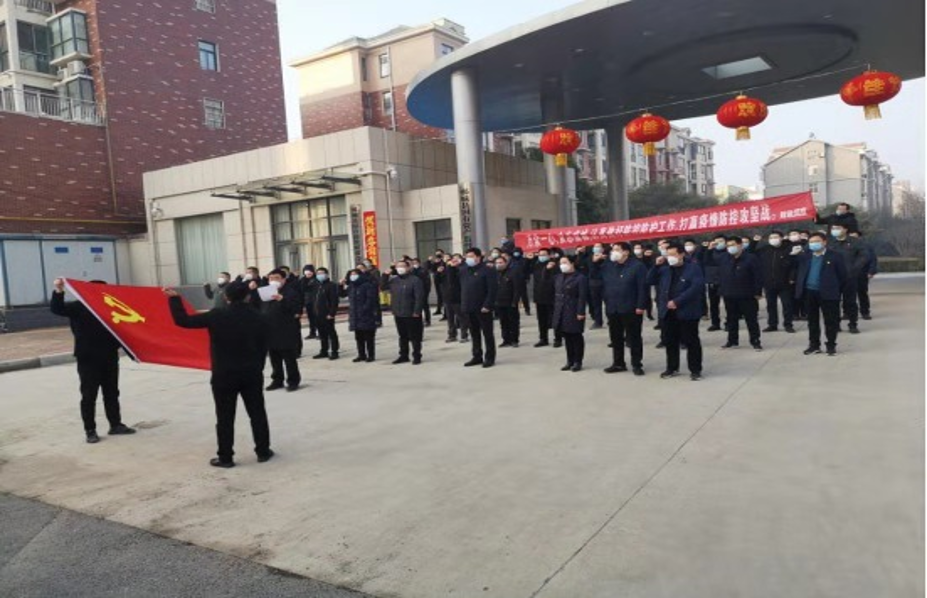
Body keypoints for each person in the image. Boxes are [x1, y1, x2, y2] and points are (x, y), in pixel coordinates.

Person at [166, 282, 272, 468]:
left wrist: (174, 299)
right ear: (248, 296)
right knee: (257, 413)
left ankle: (225, 457)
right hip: (251, 373)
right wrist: (258, 367)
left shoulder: (217, 315)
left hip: (224, 374)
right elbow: (264, 346)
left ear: (226, 297)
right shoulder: (260, 316)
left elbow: (183, 321)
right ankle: (263, 451)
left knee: (224, 417)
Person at [50, 278, 136, 444]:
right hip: (88, 358)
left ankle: (115, 425)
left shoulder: (110, 307)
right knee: (89, 395)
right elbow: (57, 309)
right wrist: (59, 290)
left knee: (112, 392)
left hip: (109, 356)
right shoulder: (79, 306)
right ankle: (90, 430)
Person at [647, 244, 705, 380]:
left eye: (673, 254)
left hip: (687, 310)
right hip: (668, 311)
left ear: (681, 254)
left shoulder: (693, 268)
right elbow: (649, 280)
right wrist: (656, 266)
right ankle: (672, 368)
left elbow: (696, 287)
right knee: (670, 341)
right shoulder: (665, 269)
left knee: (691, 341)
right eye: (668, 255)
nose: (670, 257)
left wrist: (678, 301)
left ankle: (695, 370)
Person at [593, 242, 648, 375]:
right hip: (613, 307)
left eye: (617, 249)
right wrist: (595, 263)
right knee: (615, 338)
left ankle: (636, 364)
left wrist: (641, 305)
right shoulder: (608, 265)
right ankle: (618, 363)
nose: (613, 252)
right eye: (613, 250)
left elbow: (643, 287)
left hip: (631, 307)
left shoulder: (637, 266)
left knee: (634, 337)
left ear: (626, 252)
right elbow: (595, 277)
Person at [794, 232, 848, 356]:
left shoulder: (835, 256)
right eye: (811, 242)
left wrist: (835, 289)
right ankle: (814, 345)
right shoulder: (805, 256)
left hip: (828, 293)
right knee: (812, 321)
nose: (814, 244)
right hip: (809, 292)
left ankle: (831, 345)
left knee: (830, 321)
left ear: (824, 242)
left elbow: (843, 276)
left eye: (817, 241)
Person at [711, 237, 764, 351]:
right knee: (731, 319)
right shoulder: (724, 258)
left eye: (733, 245)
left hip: (747, 294)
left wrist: (758, 291)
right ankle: (732, 341)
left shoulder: (751, 258)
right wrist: (710, 249)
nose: (730, 247)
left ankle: (755, 341)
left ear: (740, 245)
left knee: (751, 319)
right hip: (729, 293)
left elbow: (758, 276)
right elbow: (709, 261)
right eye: (728, 245)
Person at [263, 269, 302, 391]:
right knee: (274, 358)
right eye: (271, 278)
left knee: (289, 358)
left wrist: (282, 300)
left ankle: (293, 381)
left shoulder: (290, 292)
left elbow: (296, 308)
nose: (273, 280)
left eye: (277, 278)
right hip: (270, 329)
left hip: (286, 329)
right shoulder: (267, 292)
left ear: (284, 279)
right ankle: (277, 380)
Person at [460, 248, 498, 368]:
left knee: (487, 333)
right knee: (474, 333)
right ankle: (477, 356)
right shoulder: (464, 270)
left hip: (483, 308)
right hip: (469, 307)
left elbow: (492, 290)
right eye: (467, 256)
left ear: (478, 257)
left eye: (471, 256)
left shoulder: (488, 270)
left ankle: (490, 357)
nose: (468, 259)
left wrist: (487, 305)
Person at [755, 231, 800, 333]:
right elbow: (751, 252)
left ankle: (788, 324)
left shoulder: (788, 249)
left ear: (781, 238)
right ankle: (772, 324)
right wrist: (754, 242)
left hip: (785, 282)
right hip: (769, 282)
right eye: (771, 237)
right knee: (771, 305)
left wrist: (792, 277)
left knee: (787, 304)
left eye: (775, 237)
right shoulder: (765, 249)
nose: (773, 239)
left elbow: (794, 266)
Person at [828, 223, 869, 334]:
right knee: (833, 302)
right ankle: (836, 324)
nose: (835, 230)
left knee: (850, 302)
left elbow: (864, 256)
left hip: (849, 277)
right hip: (833, 277)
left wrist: (854, 269)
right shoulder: (829, 242)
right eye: (833, 228)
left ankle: (853, 324)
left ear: (845, 229)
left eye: (838, 228)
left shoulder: (855, 242)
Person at [385, 260, 425, 364]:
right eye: (398, 266)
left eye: (402, 266)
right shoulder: (394, 280)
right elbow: (383, 287)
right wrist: (385, 275)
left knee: (414, 336)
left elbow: (419, 297)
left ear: (408, 268)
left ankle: (417, 355)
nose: (400, 268)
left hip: (411, 313)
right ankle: (403, 355)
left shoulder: (415, 280)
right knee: (402, 336)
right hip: (398, 312)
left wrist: (417, 311)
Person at [552, 256, 588, 372]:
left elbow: (582, 297)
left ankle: (578, 361)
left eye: (565, 262)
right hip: (561, 310)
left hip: (573, 309)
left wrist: (581, 311)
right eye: (560, 263)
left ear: (572, 263)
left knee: (576, 336)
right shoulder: (558, 277)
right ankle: (570, 360)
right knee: (567, 336)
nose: (562, 265)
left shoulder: (580, 278)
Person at [342, 268, 378, 362]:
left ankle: (371, 355)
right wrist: (340, 285)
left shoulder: (367, 285)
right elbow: (342, 294)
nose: (353, 276)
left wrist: (365, 309)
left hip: (366, 315)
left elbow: (370, 299)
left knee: (369, 337)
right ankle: (361, 355)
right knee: (359, 337)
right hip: (355, 315)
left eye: (355, 274)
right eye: (351, 274)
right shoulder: (351, 286)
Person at [529, 248, 558, 347]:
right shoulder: (536, 265)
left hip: (551, 296)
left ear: (549, 255)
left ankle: (558, 338)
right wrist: (528, 259)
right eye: (540, 255)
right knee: (541, 320)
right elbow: (525, 270)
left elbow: (552, 279)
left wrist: (548, 269)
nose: (541, 256)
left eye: (544, 254)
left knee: (554, 318)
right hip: (539, 296)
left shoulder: (554, 265)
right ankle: (543, 338)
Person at [311, 267, 340, 360]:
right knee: (322, 333)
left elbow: (334, 301)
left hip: (327, 314)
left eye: (322, 273)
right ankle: (324, 351)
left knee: (331, 333)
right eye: (318, 273)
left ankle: (334, 351)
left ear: (327, 274)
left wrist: (332, 313)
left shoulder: (331, 285)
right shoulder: (316, 285)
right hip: (318, 313)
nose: (320, 275)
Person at [493, 255, 521, 348]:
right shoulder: (494, 274)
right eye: (497, 263)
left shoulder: (512, 273)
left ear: (506, 263)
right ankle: (506, 340)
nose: (499, 264)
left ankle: (514, 340)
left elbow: (517, 288)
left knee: (513, 322)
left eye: (501, 262)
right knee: (503, 322)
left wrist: (515, 301)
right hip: (499, 302)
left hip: (510, 301)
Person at [849, 230, 877, 320]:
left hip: (862, 273)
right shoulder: (844, 246)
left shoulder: (866, 246)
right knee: (848, 294)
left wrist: (871, 271)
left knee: (862, 293)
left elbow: (872, 259)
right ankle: (847, 312)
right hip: (847, 273)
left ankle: (865, 312)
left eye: (855, 237)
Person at [703, 235, 727, 332]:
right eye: (716, 242)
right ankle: (715, 323)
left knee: (729, 304)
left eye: (721, 241)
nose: (718, 243)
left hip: (725, 281)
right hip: (713, 281)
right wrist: (709, 249)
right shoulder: (710, 252)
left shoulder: (728, 252)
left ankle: (729, 322)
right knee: (713, 304)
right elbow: (705, 261)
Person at [299, 266, 321, 340]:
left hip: (317, 301)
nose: (308, 274)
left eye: (310, 272)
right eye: (306, 272)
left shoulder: (317, 279)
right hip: (308, 302)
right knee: (311, 318)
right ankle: (312, 333)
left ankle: (321, 333)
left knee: (317, 318)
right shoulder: (303, 280)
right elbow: (301, 290)